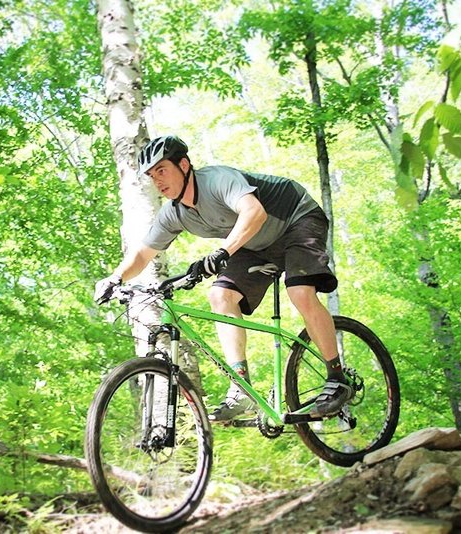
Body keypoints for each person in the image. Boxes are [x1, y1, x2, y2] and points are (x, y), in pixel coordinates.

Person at [94, 135, 352, 423]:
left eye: (162, 170)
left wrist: (222, 251)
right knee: (220, 295)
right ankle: (242, 388)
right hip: (255, 244)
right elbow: (143, 253)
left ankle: (337, 377)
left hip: (296, 219)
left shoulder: (216, 180)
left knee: (300, 293)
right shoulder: (174, 213)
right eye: (152, 176)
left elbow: (254, 212)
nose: (158, 181)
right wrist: (115, 278)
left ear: (184, 165)